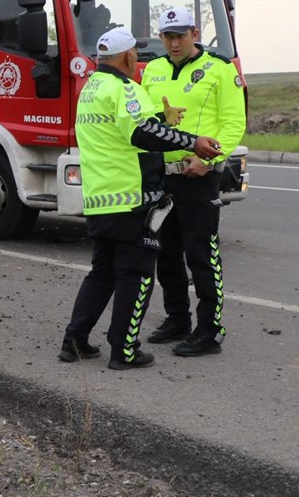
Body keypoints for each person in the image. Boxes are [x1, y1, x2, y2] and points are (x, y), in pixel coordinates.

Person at [59, 28, 222, 370]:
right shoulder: (125, 88)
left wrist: (162, 119)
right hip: (133, 198)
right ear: (130, 57)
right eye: (136, 55)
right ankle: (125, 350)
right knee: (138, 274)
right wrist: (192, 141)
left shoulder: (92, 88)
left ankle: (74, 340)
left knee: (102, 272)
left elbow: (121, 130)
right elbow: (140, 133)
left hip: (102, 198)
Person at [141, 7, 247, 357]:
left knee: (202, 255)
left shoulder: (219, 69)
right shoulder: (153, 70)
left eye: (180, 35)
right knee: (165, 254)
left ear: (195, 33)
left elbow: (234, 123)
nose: (173, 42)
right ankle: (177, 319)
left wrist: (209, 160)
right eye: (167, 36)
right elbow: (146, 121)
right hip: (163, 178)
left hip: (198, 178)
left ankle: (210, 330)